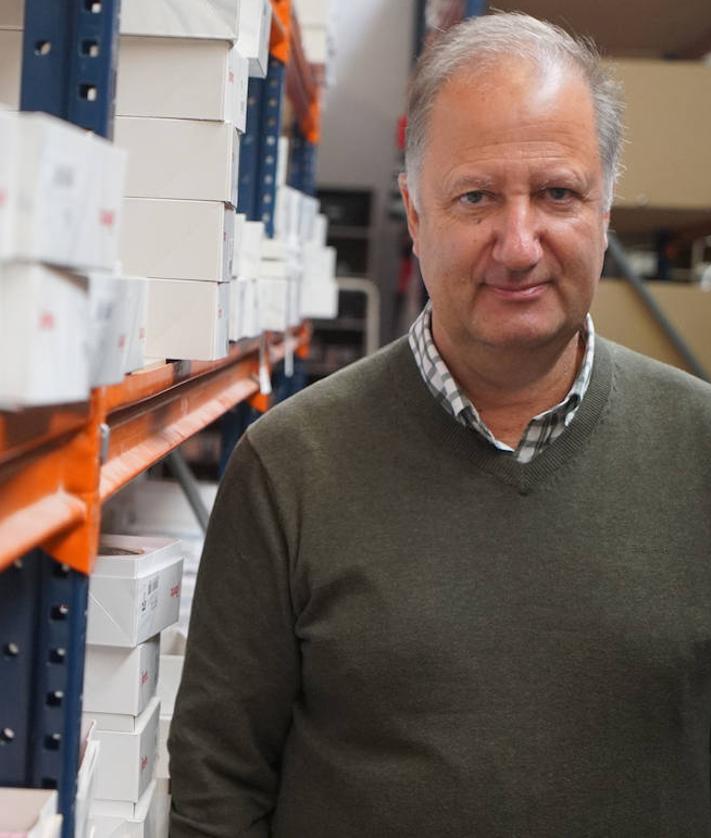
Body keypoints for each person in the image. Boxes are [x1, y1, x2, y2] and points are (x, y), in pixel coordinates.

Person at [169, 13, 711, 837]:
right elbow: (217, 791)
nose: (518, 244)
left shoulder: (698, 449)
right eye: (476, 197)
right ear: (415, 215)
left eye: (557, 194)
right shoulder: (290, 464)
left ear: (604, 211)